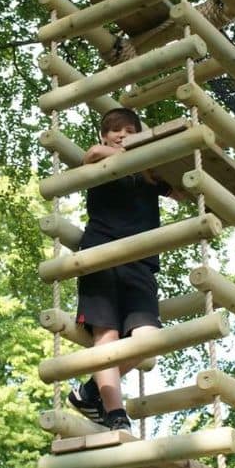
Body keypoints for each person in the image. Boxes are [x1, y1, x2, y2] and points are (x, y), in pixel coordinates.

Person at [68, 107, 178, 433]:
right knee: (108, 335)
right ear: (104, 135)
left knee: (149, 338)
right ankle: (116, 413)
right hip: (101, 253)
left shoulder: (148, 174)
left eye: (130, 131)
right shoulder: (102, 158)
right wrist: (121, 152)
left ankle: (89, 392)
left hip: (141, 262)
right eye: (115, 130)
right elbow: (91, 154)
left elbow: (182, 190)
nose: (122, 135)